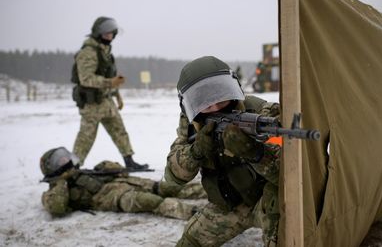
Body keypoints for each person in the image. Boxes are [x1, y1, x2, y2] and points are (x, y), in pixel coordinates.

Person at [164, 56, 281, 246]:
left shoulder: (260, 114)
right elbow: (173, 176)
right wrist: (197, 151)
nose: (216, 108)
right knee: (190, 242)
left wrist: (256, 153)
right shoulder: (192, 124)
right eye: (206, 104)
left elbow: (290, 174)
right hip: (229, 205)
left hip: (266, 203)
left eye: (221, 99)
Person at [40, 147, 206, 220]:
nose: (65, 161)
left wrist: (107, 166)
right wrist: (61, 182)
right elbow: (56, 207)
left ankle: (209, 192)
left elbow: (121, 171)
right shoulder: (54, 190)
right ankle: (196, 214)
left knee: (168, 187)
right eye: (60, 161)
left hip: (124, 182)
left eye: (64, 157)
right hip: (112, 198)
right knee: (150, 201)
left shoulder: (83, 172)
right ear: (52, 168)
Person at [71, 16, 148, 170]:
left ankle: (129, 161)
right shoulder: (88, 52)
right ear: (98, 33)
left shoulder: (105, 52)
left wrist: (117, 95)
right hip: (92, 103)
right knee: (86, 137)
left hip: (107, 101)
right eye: (106, 33)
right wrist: (110, 83)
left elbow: (110, 77)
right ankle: (74, 167)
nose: (110, 36)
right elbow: (85, 78)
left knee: (119, 131)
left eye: (112, 33)